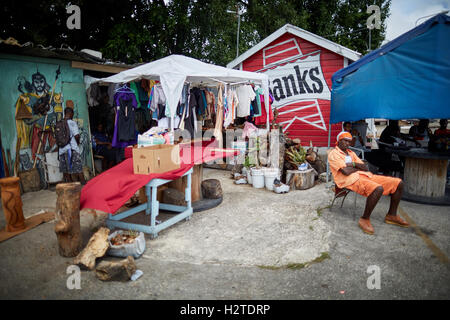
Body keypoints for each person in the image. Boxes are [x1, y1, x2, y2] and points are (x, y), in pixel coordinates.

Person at [328, 131, 409, 235]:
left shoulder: (351, 153)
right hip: (349, 181)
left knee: (398, 183)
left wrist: (352, 164)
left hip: (366, 176)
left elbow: (365, 167)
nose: (347, 144)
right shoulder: (334, 154)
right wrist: (356, 168)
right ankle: (364, 219)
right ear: (339, 141)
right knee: (377, 188)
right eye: (345, 141)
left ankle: (391, 215)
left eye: (349, 141)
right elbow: (345, 172)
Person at [58, 107, 86, 185]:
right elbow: (77, 136)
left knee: (66, 171)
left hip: (62, 150)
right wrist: (77, 144)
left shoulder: (59, 123)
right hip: (72, 149)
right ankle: (84, 186)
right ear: (70, 113)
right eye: (72, 114)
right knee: (78, 169)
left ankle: (70, 188)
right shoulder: (72, 123)